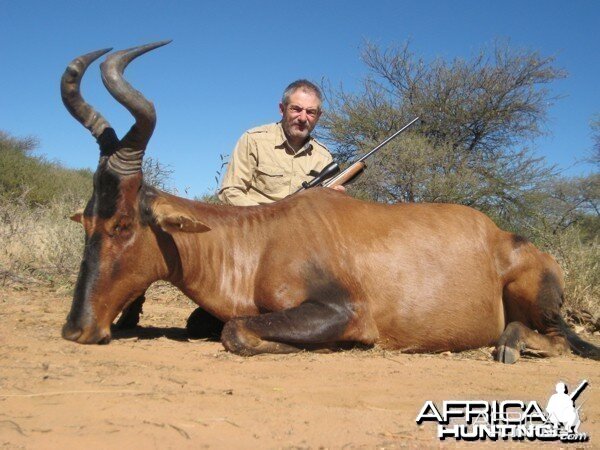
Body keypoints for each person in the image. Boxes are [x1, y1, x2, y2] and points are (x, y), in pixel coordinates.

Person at [218, 79, 342, 206]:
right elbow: (230, 191)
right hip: (256, 222)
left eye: (311, 112)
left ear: (318, 116)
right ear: (282, 109)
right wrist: (268, 219)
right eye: (296, 109)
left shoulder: (324, 157)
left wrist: (335, 198)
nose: (303, 118)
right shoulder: (254, 140)